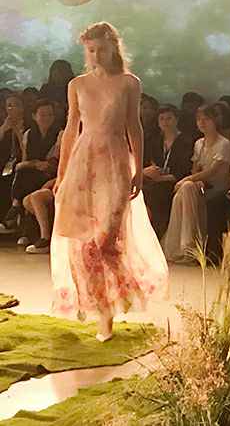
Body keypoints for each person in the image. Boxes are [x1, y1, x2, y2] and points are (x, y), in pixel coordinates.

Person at [52, 21, 168, 342]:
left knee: (108, 239)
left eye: (101, 49)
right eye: (91, 50)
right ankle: (100, 310)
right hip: (83, 163)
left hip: (116, 162)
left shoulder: (129, 83)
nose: (96, 55)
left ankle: (114, 302)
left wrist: (138, 169)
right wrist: (61, 174)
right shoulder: (77, 84)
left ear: (113, 48)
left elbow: (134, 127)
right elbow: (70, 130)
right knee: (82, 242)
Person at [163, 104, 230, 263]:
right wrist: (194, 180)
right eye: (199, 119)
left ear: (215, 120)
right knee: (186, 189)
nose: (202, 123)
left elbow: (213, 171)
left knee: (186, 187)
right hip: (200, 185)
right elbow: (195, 169)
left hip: (217, 188)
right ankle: (186, 244)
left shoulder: (224, 143)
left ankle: (188, 244)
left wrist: (187, 179)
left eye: (206, 119)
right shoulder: (199, 143)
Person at [1, 99, 61, 241]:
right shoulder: (29, 134)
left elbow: (56, 162)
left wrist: (41, 165)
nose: (47, 118)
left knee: (26, 177)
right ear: (34, 116)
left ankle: (16, 210)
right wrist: (35, 164)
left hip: (50, 174)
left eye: (50, 114)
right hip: (33, 173)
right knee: (24, 173)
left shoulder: (60, 134)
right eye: (43, 114)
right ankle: (26, 230)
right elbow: (24, 161)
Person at [143, 105, 194, 238]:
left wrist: (160, 178)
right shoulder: (153, 141)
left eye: (169, 118)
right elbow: (145, 163)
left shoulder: (187, 142)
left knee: (157, 193)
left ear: (177, 119)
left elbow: (184, 171)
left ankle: (160, 234)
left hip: (175, 182)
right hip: (154, 181)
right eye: (162, 119)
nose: (165, 122)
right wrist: (147, 171)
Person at [0, 93, 27, 224]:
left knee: (13, 178)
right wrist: (4, 129)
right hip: (5, 162)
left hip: (21, 161)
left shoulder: (28, 125)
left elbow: (26, 148)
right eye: (9, 105)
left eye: (15, 105)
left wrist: (17, 131)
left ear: (22, 108)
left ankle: (11, 220)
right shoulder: (4, 125)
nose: (11, 108)